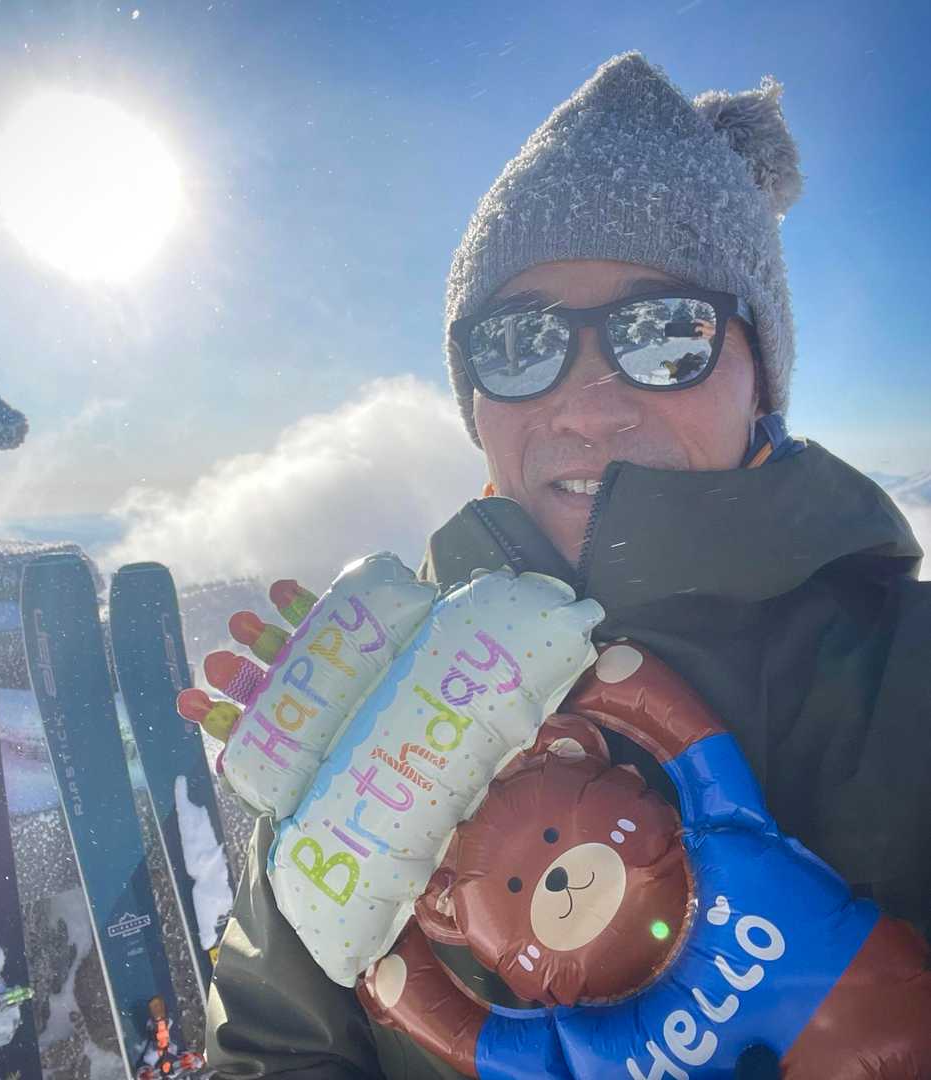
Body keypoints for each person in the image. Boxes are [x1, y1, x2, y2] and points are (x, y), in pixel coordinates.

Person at [203, 52, 930, 1079]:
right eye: (520, 343)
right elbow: (271, 1050)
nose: (588, 405)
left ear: (759, 378)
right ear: (473, 402)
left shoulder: (906, 682)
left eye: (665, 333)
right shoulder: (379, 697)